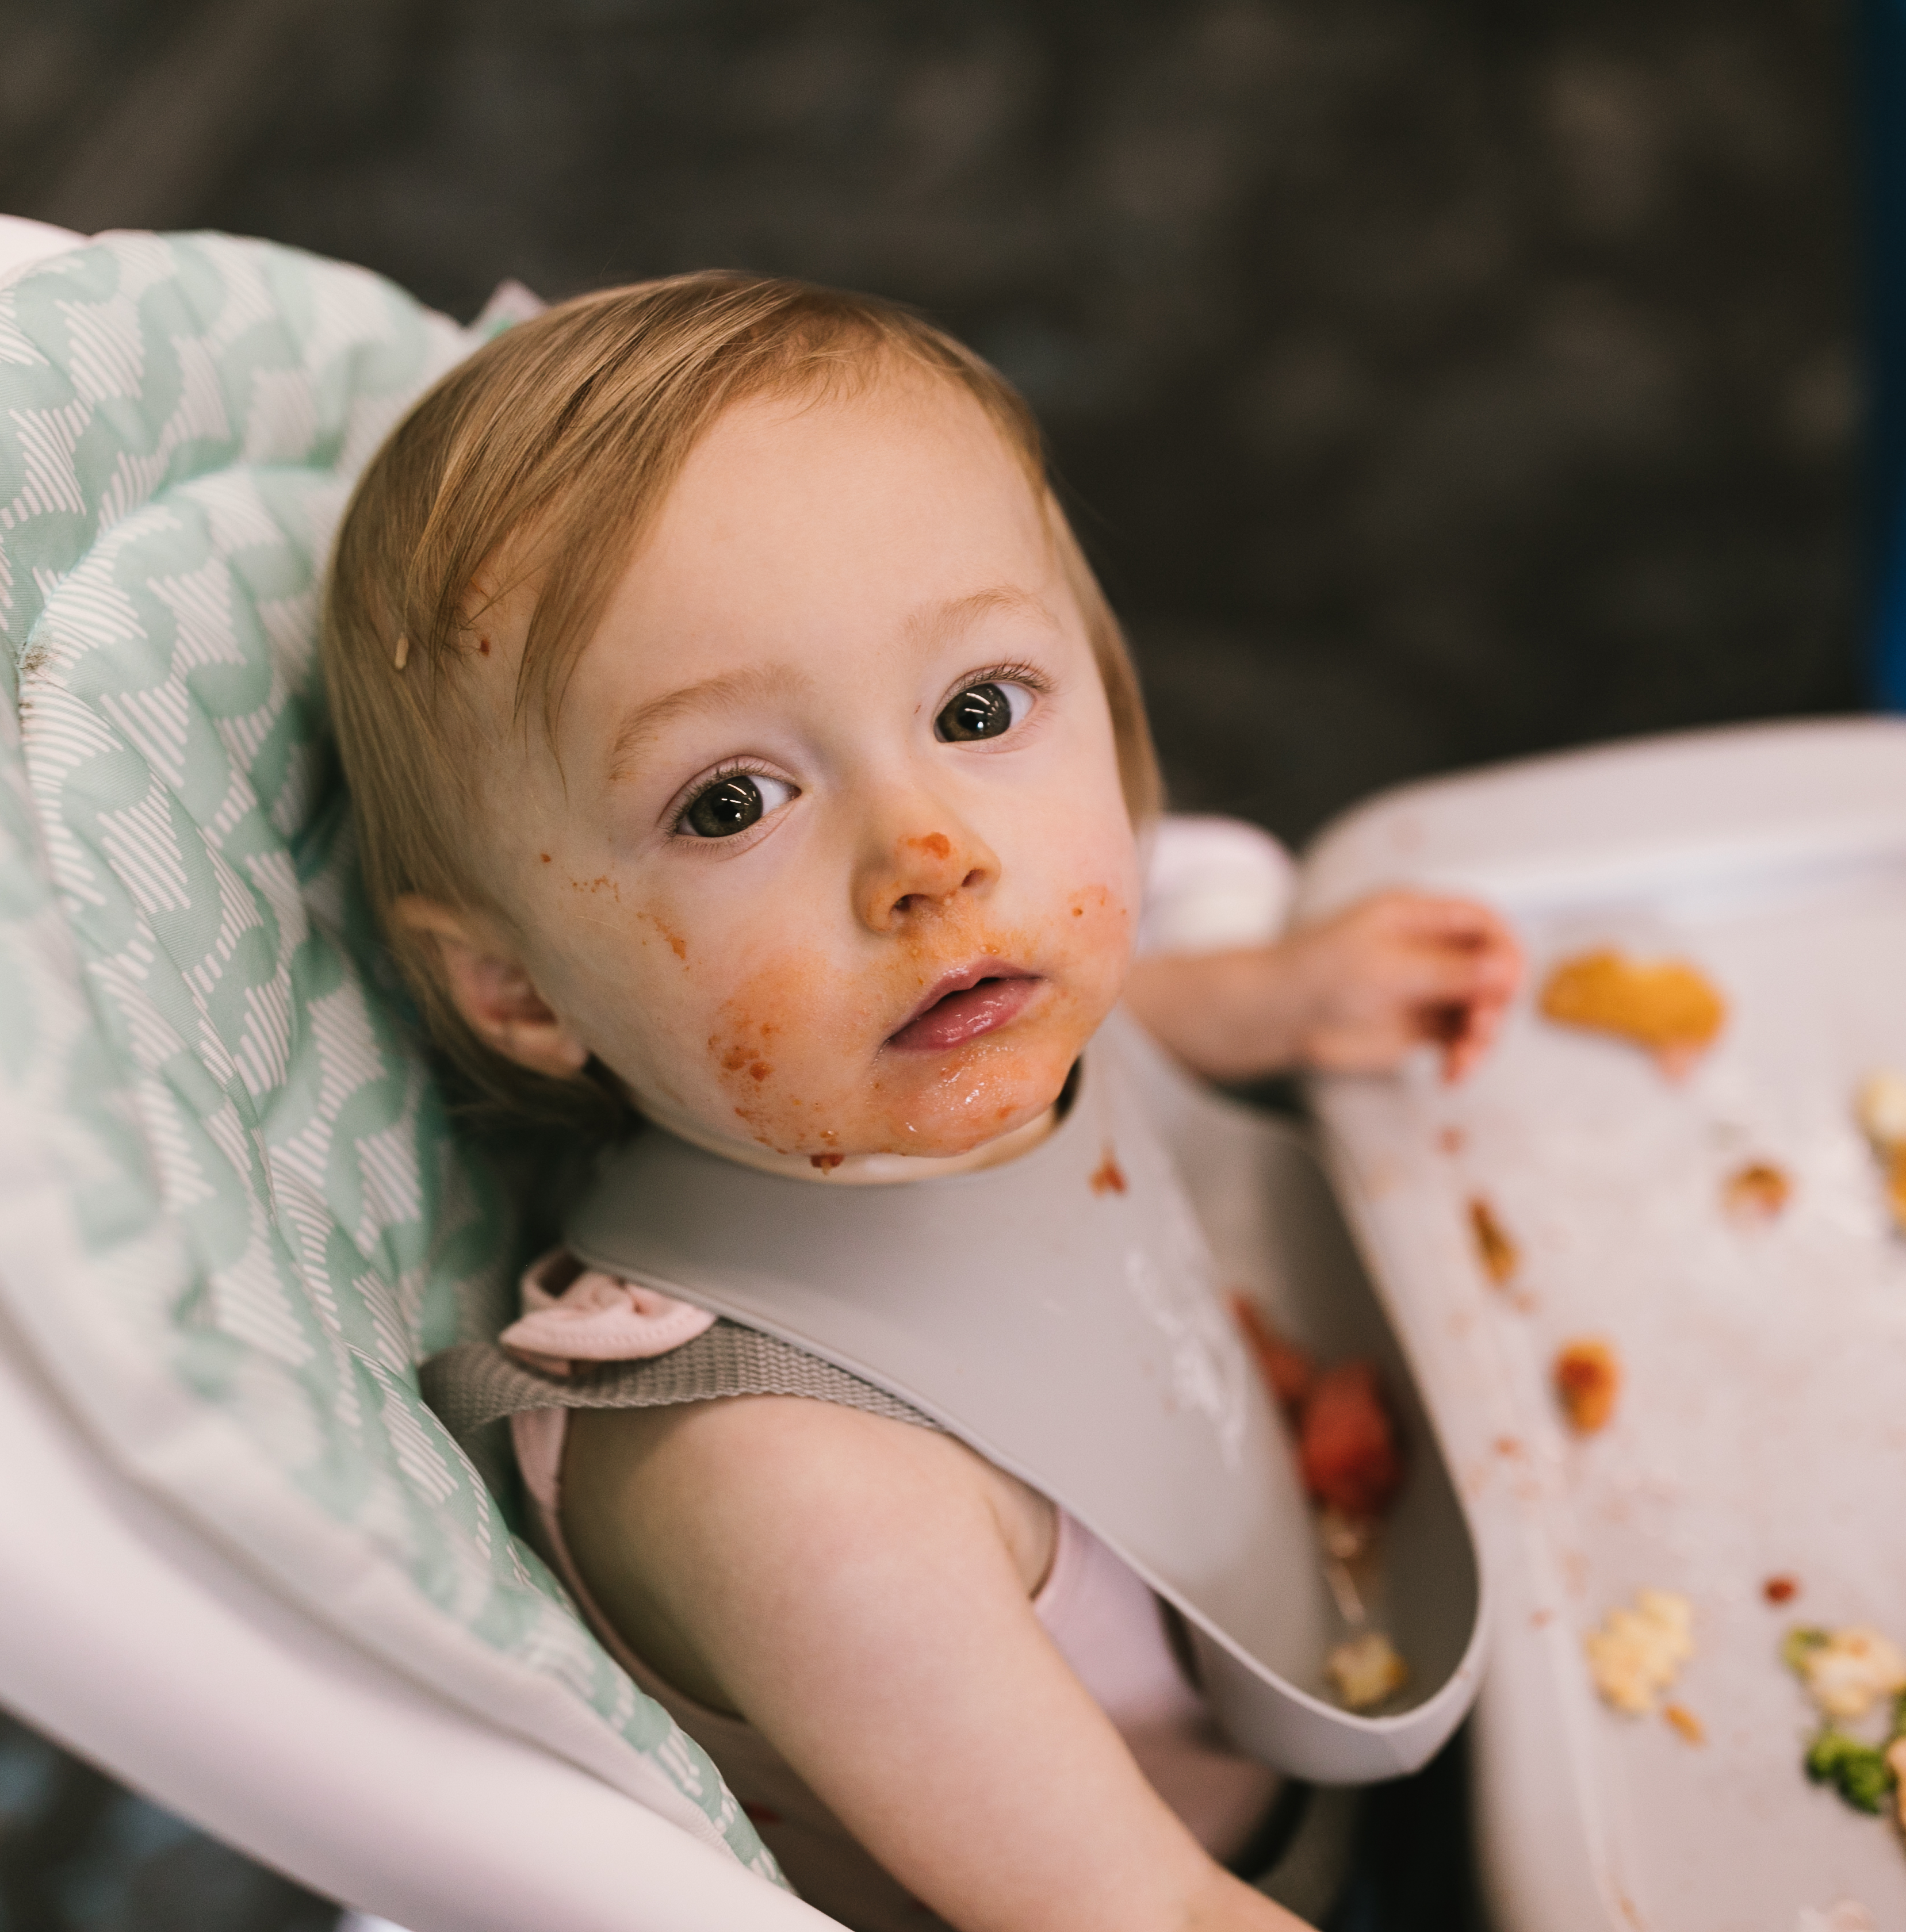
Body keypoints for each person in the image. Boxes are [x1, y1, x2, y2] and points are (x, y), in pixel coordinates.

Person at [324, 272, 1521, 1932]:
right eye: (733, 801)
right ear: (520, 991)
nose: (927, 855)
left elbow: (1083, 1115)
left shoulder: (927, 1068)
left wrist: (1265, 1002)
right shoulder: (792, 1479)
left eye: (975, 710)